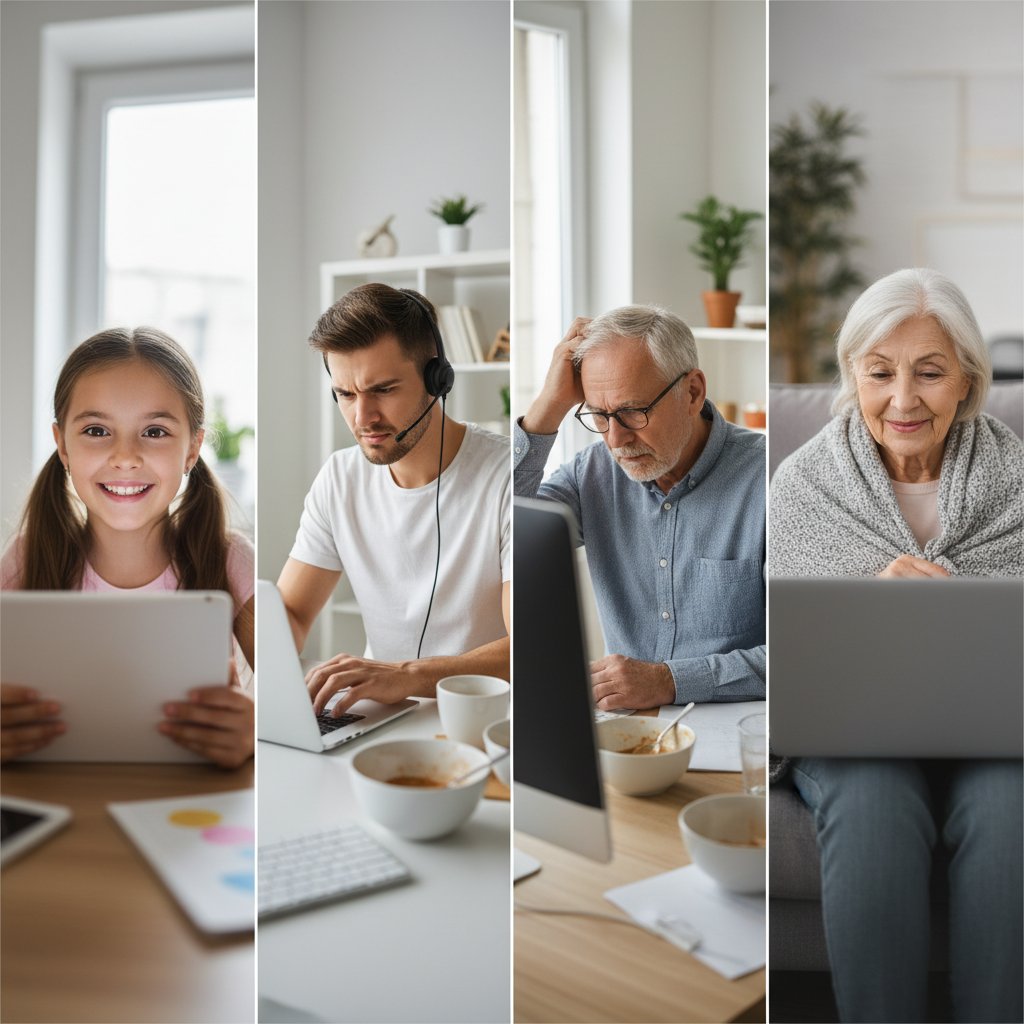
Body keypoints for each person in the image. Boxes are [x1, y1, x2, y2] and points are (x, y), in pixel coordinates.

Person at [770, 268, 1023, 1023]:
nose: (904, 399)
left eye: (930, 372)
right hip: (849, 736)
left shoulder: (1018, 478)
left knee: (1009, 809)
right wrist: (873, 604)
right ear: (853, 373)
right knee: (874, 801)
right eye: (880, 373)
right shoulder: (803, 483)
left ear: (968, 380)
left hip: (995, 730)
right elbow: (782, 646)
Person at [0, 327, 255, 768]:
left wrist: (253, 731)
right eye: (97, 430)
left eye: (154, 432)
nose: (125, 456)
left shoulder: (231, 561)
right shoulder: (26, 559)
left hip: (190, 804)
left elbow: (288, 714)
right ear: (62, 445)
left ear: (192, 449)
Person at [514, 305, 765, 710]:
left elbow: (795, 652)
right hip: (625, 734)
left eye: (633, 411)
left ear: (693, 392)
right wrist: (549, 404)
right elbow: (502, 532)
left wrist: (669, 680)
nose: (615, 440)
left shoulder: (767, 479)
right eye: (599, 415)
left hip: (740, 731)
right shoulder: (589, 474)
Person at [278, 283, 510, 718]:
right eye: (345, 394)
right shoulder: (339, 477)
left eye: (382, 389)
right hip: (378, 716)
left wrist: (406, 675)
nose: (362, 418)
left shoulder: (505, 477)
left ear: (437, 380)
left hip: (484, 720)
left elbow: (528, 645)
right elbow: (289, 614)